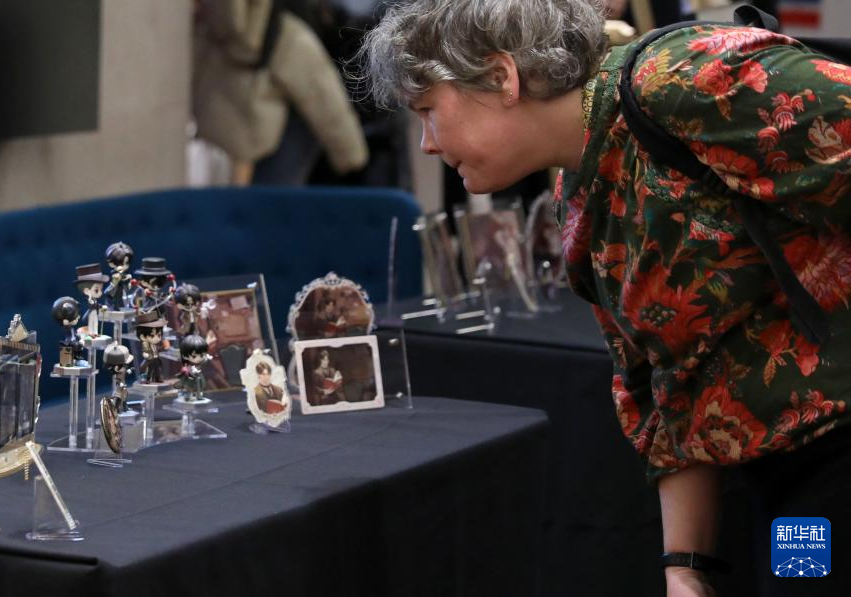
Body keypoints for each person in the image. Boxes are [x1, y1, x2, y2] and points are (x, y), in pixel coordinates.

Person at [359, 1, 851, 595]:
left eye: (428, 111)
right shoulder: (582, 198)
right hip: (787, 476)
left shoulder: (687, 80)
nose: (427, 143)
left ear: (500, 76)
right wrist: (685, 569)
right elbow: (665, 383)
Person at [192, 0, 368, 185]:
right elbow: (323, 97)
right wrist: (351, 156)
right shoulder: (288, 35)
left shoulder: (206, 25)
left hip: (207, 136)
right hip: (258, 147)